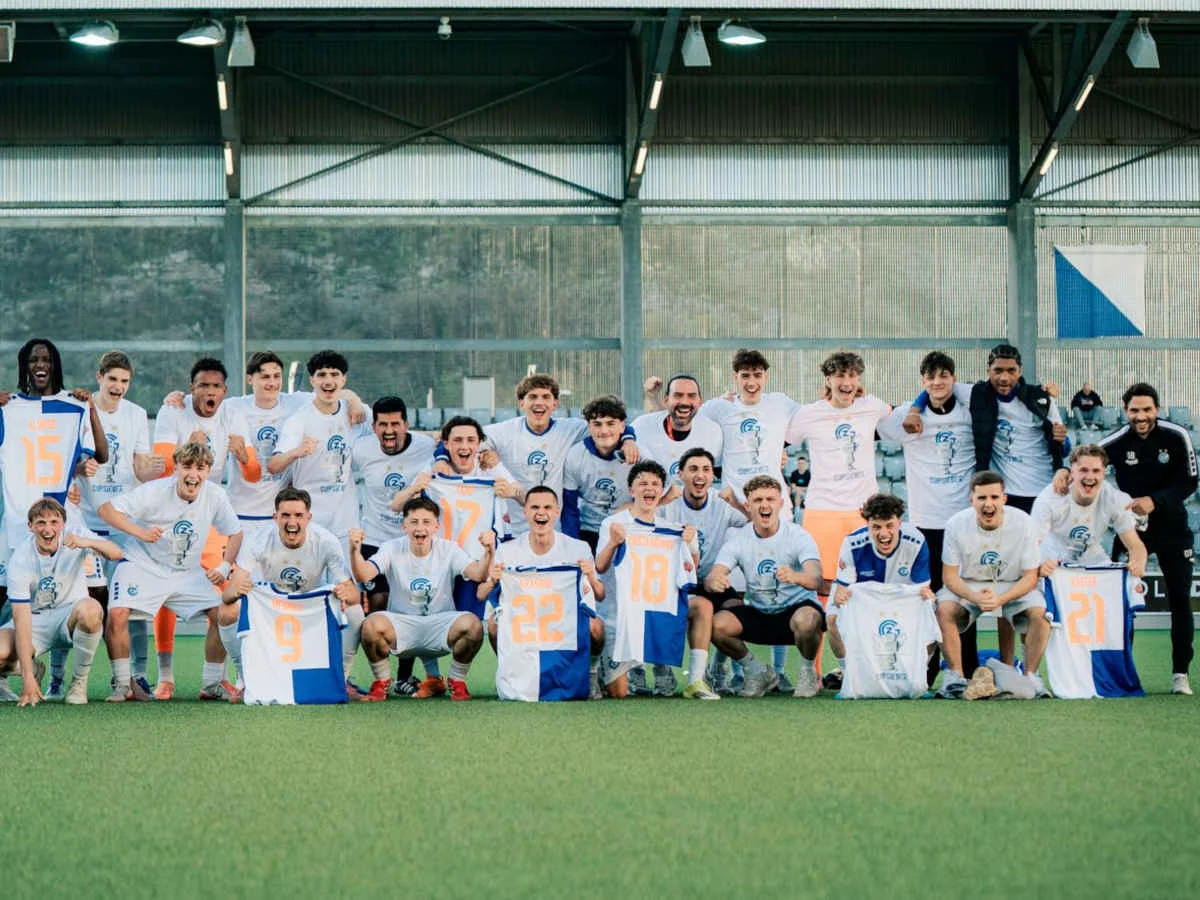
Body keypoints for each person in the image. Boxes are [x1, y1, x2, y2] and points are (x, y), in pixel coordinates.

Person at [148, 357, 260, 700]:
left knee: (223, 595)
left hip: (209, 512)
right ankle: (165, 677)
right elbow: (161, 466)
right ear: (191, 388)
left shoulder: (232, 414)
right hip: (169, 512)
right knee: (166, 594)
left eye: (215, 386)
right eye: (203, 385)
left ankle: (213, 680)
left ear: (224, 391)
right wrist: (186, 448)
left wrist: (245, 458)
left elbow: (254, 474)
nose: (209, 391)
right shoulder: (173, 411)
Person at [99, 442, 244, 702]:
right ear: (176, 467)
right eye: (187, 466)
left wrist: (224, 567)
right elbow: (106, 510)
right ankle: (122, 685)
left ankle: (211, 684)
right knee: (118, 613)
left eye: (200, 468)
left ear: (209, 470)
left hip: (186, 572)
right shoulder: (154, 491)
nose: (193, 474)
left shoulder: (215, 494)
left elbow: (236, 532)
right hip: (142, 564)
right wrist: (140, 532)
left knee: (222, 613)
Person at [700, 349, 802, 687]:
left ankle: (780, 670)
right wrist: (653, 397)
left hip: (774, 508)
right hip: (735, 512)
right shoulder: (719, 407)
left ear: (766, 377)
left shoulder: (781, 403)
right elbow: (680, 419)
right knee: (737, 594)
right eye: (745, 375)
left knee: (777, 589)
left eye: (757, 374)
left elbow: (813, 421)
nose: (752, 381)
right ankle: (729, 669)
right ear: (736, 378)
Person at [269, 350, 369, 681]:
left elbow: (387, 433)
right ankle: (283, 669)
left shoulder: (357, 414)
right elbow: (273, 464)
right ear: (312, 380)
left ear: (344, 380)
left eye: (335, 375)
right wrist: (298, 451)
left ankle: (344, 676)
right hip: (307, 530)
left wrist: (354, 401)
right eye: (322, 375)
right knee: (298, 601)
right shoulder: (299, 420)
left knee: (350, 602)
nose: (329, 381)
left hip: (345, 528)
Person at [878, 351, 975, 683]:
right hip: (925, 523)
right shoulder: (906, 416)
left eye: (944, 376)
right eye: (930, 378)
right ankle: (926, 669)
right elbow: (866, 422)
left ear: (954, 378)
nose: (937, 383)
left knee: (962, 598)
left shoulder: (968, 411)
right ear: (922, 381)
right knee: (926, 597)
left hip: (962, 521)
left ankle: (967, 668)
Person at [1099, 383, 1197, 695]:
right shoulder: (1114, 441)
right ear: (1124, 411)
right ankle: (1122, 673)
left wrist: (1156, 500)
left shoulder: (1176, 436)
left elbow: (1190, 481)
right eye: (1134, 410)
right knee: (1122, 603)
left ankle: (1180, 673)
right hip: (1131, 530)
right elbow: (1085, 466)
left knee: (1180, 600)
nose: (1141, 416)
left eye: (1147, 410)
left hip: (1172, 528)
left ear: (1157, 409)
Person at [350, 496, 494, 702]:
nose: (420, 528)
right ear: (404, 526)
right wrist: (354, 550)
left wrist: (489, 551)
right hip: (402, 626)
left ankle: (456, 680)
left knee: (473, 625)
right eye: (414, 522)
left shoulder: (449, 549)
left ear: (436, 526)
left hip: (439, 625)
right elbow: (363, 575)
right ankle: (381, 681)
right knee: (370, 625)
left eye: (426, 522)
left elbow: (479, 574)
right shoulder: (391, 547)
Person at [595, 461, 715, 699]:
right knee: (618, 694)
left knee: (702, 605)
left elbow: (692, 568)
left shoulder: (671, 528)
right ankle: (610, 667)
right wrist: (613, 543)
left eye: (655, 484)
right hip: (620, 616)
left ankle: (695, 680)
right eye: (642, 483)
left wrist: (691, 545)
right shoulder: (614, 524)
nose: (649, 488)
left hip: (656, 606)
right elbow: (600, 566)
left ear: (661, 491)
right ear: (632, 490)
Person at [476, 486, 607, 697]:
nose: (541, 512)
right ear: (525, 511)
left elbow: (600, 594)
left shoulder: (578, 548)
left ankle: (591, 673)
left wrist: (591, 576)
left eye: (547, 507)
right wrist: (492, 580)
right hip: (525, 621)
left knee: (596, 627)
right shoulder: (508, 550)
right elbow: (481, 595)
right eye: (535, 507)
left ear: (557, 511)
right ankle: (510, 671)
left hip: (561, 621)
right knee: (493, 624)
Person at [704, 475, 824, 698]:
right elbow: (715, 574)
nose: (765, 505)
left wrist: (796, 577)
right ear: (748, 506)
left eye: (770, 499)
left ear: (781, 503)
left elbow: (816, 578)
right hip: (760, 611)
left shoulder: (798, 536)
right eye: (758, 500)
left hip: (794, 611)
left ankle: (807, 673)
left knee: (808, 619)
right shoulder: (739, 539)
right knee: (716, 624)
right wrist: (714, 581)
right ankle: (757, 671)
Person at [785, 352, 892, 601]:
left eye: (853, 375)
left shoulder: (871, 406)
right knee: (822, 584)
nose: (847, 382)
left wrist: (917, 409)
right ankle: (820, 640)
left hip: (863, 511)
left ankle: (863, 640)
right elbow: (780, 440)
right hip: (823, 510)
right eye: (840, 375)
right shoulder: (809, 413)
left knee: (868, 584)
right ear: (828, 379)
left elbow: (900, 415)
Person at [934, 471, 1050, 699]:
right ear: (972, 500)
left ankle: (1031, 677)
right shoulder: (955, 524)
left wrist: (1001, 599)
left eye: (994, 497)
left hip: (1013, 583)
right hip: (970, 584)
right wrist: (975, 597)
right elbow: (949, 576)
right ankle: (954, 677)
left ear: (1004, 499)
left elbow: (1030, 577)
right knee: (943, 609)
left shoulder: (1025, 523)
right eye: (982, 498)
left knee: (1041, 614)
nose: (988, 504)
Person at [481, 374, 637, 536]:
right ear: (521, 403)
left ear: (555, 404)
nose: (539, 402)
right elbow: (470, 438)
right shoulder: (503, 432)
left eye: (546, 397)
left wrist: (628, 439)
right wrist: (486, 452)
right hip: (515, 530)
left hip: (555, 532)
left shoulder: (570, 429)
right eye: (532, 397)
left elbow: (608, 422)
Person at [0, 499, 122, 706]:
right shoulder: (20, 559)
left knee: (92, 609)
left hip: (70, 615)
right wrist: (28, 679)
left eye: (54, 522)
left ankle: (78, 683)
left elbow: (116, 553)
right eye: (41, 523)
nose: (48, 529)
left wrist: (87, 543)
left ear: (63, 524)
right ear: (30, 526)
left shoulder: (76, 534)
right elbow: (21, 619)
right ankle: (29, 668)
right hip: (35, 621)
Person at [659, 448, 748, 694]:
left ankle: (718, 669)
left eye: (706, 469)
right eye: (693, 469)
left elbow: (756, 520)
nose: (700, 475)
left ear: (712, 476)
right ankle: (661, 671)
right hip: (676, 581)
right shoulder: (669, 506)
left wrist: (737, 502)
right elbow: (636, 518)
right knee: (656, 609)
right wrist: (661, 499)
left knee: (736, 612)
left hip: (710, 579)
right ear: (680, 474)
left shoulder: (721, 504)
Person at [827, 493, 934, 690]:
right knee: (833, 618)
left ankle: (917, 673)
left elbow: (922, 590)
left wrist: (927, 597)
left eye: (889, 525)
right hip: (865, 600)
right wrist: (841, 597)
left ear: (899, 523)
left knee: (932, 612)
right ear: (867, 524)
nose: (883, 534)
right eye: (876, 526)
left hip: (900, 598)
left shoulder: (916, 541)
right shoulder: (852, 543)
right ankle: (848, 672)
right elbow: (842, 591)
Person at [350, 396, 436, 612]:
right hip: (375, 538)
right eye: (383, 425)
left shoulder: (426, 447)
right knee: (379, 602)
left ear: (406, 425)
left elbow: (457, 446)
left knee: (415, 603)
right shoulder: (361, 449)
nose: (389, 430)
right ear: (374, 427)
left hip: (411, 540)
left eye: (395, 424)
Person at [1034, 444, 1147, 577]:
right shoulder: (1050, 497)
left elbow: (1135, 546)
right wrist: (1038, 567)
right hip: (1052, 560)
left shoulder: (1113, 498)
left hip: (1093, 559)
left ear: (1104, 472)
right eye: (1083, 470)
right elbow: (1032, 543)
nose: (1090, 477)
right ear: (1072, 472)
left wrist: (1138, 564)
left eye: (1096, 471)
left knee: (1133, 585)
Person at [562, 395, 635, 548]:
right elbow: (570, 507)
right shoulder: (575, 456)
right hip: (588, 531)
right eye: (597, 424)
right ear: (589, 427)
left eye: (610, 424)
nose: (604, 431)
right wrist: (573, 545)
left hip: (626, 530)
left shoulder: (636, 455)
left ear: (622, 426)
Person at [635, 374, 724, 486]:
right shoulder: (641, 426)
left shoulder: (712, 432)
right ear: (666, 400)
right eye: (678, 395)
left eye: (691, 396)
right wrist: (627, 440)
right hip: (656, 502)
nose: (684, 402)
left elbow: (718, 474)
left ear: (700, 402)